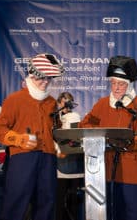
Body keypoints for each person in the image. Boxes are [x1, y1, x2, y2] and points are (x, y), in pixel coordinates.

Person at [79, 55, 137, 220]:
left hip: (133, 173)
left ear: (130, 85)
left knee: (135, 214)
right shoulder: (102, 104)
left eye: (121, 84)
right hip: (106, 172)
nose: (116, 88)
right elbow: (84, 125)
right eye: (113, 83)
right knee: (111, 214)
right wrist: (97, 136)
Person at [0, 53, 64, 220]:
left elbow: (56, 129)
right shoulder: (15, 100)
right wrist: (18, 139)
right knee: (15, 202)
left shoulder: (52, 102)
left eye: (49, 79)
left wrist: (61, 144)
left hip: (48, 158)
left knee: (47, 202)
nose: (45, 82)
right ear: (32, 75)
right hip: (22, 158)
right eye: (42, 78)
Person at [55, 92, 84, 220]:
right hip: (59, 168)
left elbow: (76, 140)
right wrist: (57, 150)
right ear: (58, 103)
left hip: (75, 166)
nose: (67, 105)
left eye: (69, 102)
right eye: (64, 102)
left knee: (74, 202)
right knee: (59, 201)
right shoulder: (54, 119)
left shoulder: (75, 118)